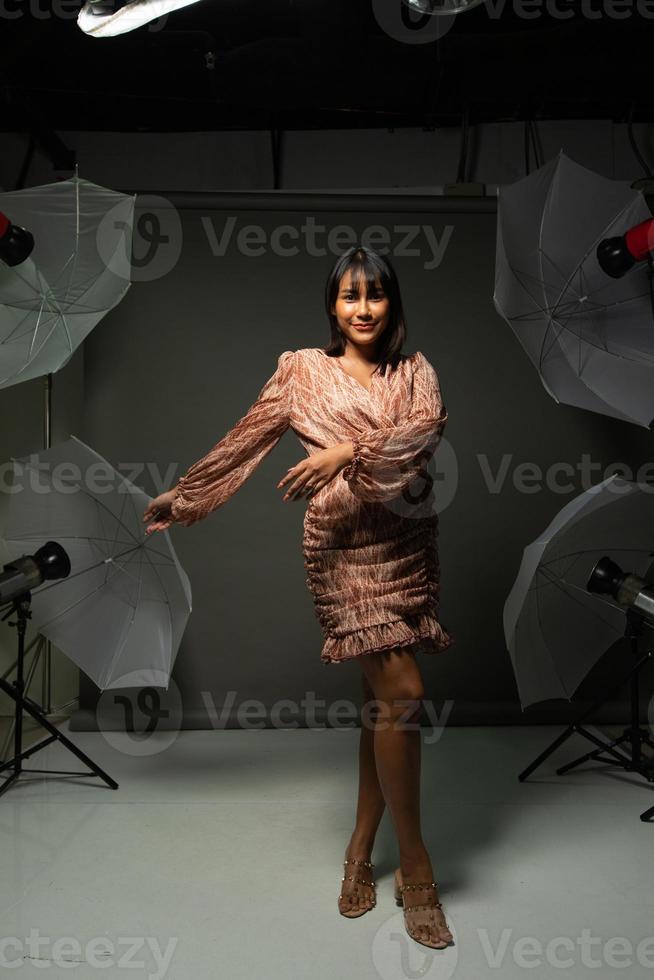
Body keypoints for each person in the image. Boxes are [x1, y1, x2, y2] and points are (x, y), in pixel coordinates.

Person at [142, 245, 454, 950]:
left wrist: (345, 452)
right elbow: (249, 435)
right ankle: (417, 866)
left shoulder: (416, 370)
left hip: (406, 541)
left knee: (383, 704)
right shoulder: (301, 371)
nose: (363, 308)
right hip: (343, 545)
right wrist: (189, 495)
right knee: (402, 691)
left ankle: (358, 850)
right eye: (349, 296)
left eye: (375, 294)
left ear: (391, 302)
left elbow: (424, 434)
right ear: (332, 306)